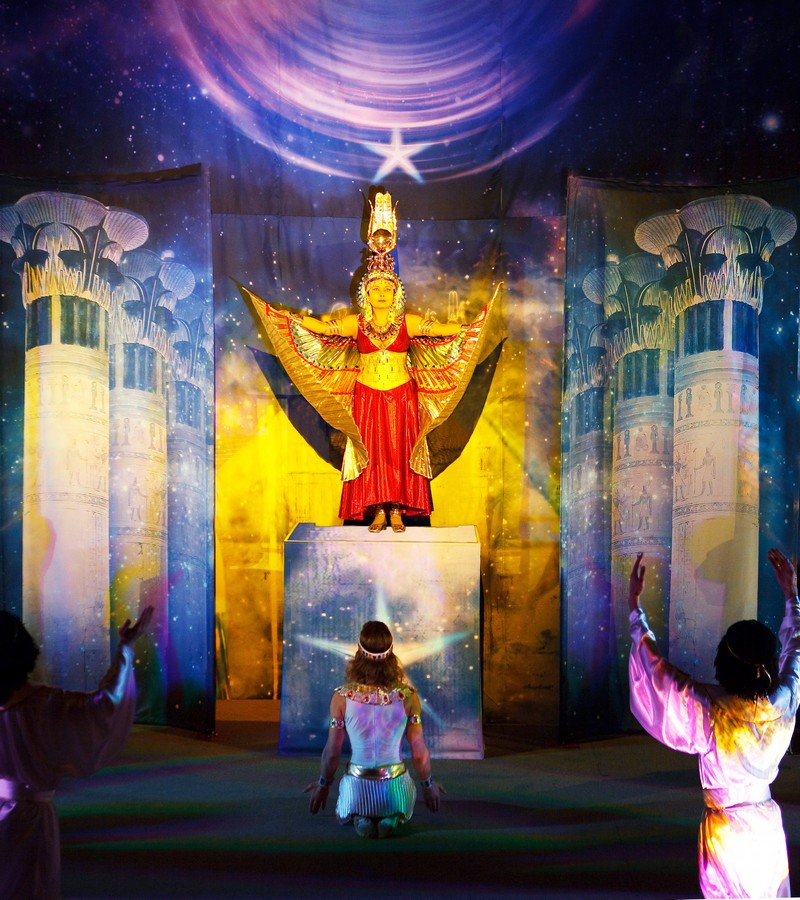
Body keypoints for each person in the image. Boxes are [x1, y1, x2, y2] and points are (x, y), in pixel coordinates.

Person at [239, 191, 498, 533]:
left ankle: (398, 510)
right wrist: (293, 320)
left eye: (387, 289)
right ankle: (377, 509)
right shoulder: (356, 323)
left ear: (396, 293)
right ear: (367, 293)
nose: (382, 294)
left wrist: (468, 328)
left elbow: (438, 330)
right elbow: (325, 328)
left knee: (399, 453)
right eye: (375, 289)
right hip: (368, 395)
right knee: (372, 454)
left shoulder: (407, 323)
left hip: (402, 395)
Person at [627, 549, 800, 898]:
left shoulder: (709, 711)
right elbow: (796, 651)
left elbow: (656, 673)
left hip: (727, 835)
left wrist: (635, 608)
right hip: (767, 826)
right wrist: (791, 597)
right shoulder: (784, 701)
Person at [0, 605, 154, 899]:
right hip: (31, 822)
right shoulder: (45, 706)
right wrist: (125, 648)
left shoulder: (44, 704)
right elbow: (104, 708)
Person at [304, 620, 444, 838]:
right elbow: (418, 752)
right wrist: (428, 785)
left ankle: (361, 815)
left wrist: (323, 784)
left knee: (354, 796)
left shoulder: (341, 697)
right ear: (391, 653)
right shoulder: (408, 697)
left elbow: (332, 751)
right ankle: (391, 816)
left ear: (359, 653)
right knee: (398, 796)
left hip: (356, 788)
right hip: (394, 791)